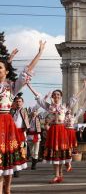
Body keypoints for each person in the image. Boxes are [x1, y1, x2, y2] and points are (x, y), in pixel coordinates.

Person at [0, 40, 46, 194]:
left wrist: (39, 53)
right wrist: (8, 61)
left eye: (0, 68)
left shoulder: (11, 87)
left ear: (6, 72)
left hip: (6, 125)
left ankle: (7, 188)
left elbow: (27, 71)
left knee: (7, 160)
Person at [27, 80, 84, 184]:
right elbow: (39, 98)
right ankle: (57, 175)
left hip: (62, 130)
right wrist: (29, 86)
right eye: (54, 95)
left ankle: (60, 174)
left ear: (61, 96)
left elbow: (74, 98)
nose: (56, 96)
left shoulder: (65, 106)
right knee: (55, 154)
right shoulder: (49, 106)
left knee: (61, 153)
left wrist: (83, 88)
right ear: (52, 97)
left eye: (58, 94)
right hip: (53, 131)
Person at [10, 94, 30, 178]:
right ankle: (14, 168)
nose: (18, 103)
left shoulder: (24, 111)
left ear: (23, 103)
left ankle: (18, 169)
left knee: (21, 150)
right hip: (12, 133)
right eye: (17, 101)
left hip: (21, 133)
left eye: (20, 101)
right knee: (13, 150)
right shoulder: (12, 111)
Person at [26, 104, 42, 170]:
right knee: (31, 151)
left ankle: (34, 164)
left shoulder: (39, 117)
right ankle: (34, 160)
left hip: (36, 135)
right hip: (29, 135)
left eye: (35, 111)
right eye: (33, 111)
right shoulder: (28, 118)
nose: (34, 112)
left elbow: (46, 112)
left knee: (36, 151)